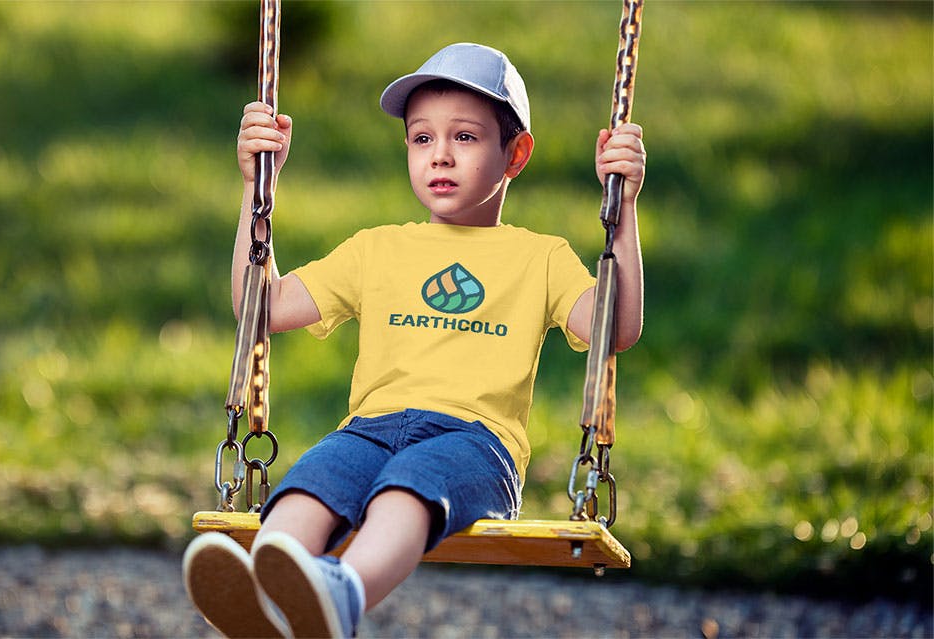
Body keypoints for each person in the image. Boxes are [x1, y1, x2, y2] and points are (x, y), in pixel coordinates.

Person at [182, 42, 646, 638]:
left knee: (408, 488)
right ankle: (270, 597)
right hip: (368, 429)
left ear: (516, 154)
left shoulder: (541, 258)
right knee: (310, 484)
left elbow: (617, 328)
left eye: (466, 137)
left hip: (474, 444)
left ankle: (341, 591)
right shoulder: (377, 249)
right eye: (422, 138)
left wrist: (623, 208)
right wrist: (255, 186)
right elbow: (259, 308)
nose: (441, 156)